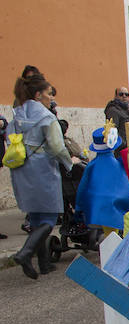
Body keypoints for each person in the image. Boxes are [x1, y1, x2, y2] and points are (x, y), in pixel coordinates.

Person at [9, 74, 77, 279]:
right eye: (48, 94)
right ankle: (25, 252)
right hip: (42, 168)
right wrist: (69, 161)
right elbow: (57, 147)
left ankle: (44, 263)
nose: (51, 97)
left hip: (21, 167)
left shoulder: (17, 114)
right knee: (48, 217)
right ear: (38, 95)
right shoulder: (47, 117)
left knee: (36, 216)